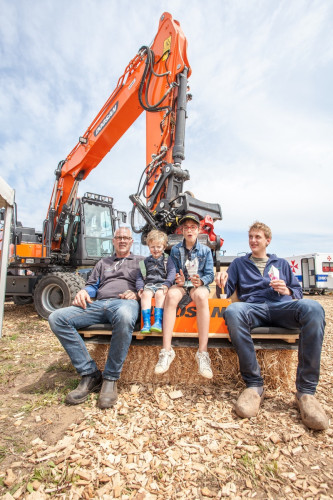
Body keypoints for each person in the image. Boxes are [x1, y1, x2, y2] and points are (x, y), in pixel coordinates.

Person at [215, 221, 329, 431]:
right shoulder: (239, 264)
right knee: (233, 311)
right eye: (250, 237)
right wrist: (221, 280)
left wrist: (287, 291)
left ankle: (305, 393)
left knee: (313, 309)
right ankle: (254, 386)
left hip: (281, 306)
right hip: (253, 308)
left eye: (257, 237)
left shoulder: (281, 264)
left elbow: (298, 292)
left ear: (268, 240)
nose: (253, 241)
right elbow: (224, 292)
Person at [48, 226, 143, 409]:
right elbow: (92, 285)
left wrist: (138, 294)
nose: (122, 240)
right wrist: (84, 291)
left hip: (125, 303)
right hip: (99, 304)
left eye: (126, 238)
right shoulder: (103, 262)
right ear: (114, 241)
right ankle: (90, 373)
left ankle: (110, 378)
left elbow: (150, 283)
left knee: (124, 316)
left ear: (131, 242)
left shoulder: (141, 261)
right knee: (57, 318)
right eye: (119, 237)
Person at [154, 213, 214, 378]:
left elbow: (210, 274)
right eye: (186, 227)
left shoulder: (206, 250)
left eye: (193, 227)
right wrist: (177, 278)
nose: (189, 230)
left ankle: (202, 352)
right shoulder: (175, 249)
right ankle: (166, 351)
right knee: (171, 296)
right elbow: (172, 270)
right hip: (181, 285)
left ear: (198, 230)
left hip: (196, 286)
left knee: (201, 296)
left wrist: (201, 281)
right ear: (181, 230)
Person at [136, 229, 176, 334]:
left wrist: (167, 284)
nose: (156, 249)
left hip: (162, 285)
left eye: (158, 247)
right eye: (152, 247)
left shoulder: (168, 260)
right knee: (145, 295)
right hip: (149, 285)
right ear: (148, 247)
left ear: (164, 247)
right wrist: (140, 287)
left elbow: (172, 272)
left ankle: (158, 322)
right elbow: (139, 276)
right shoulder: (145, 262)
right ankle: (146, 323)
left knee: (160, 294)